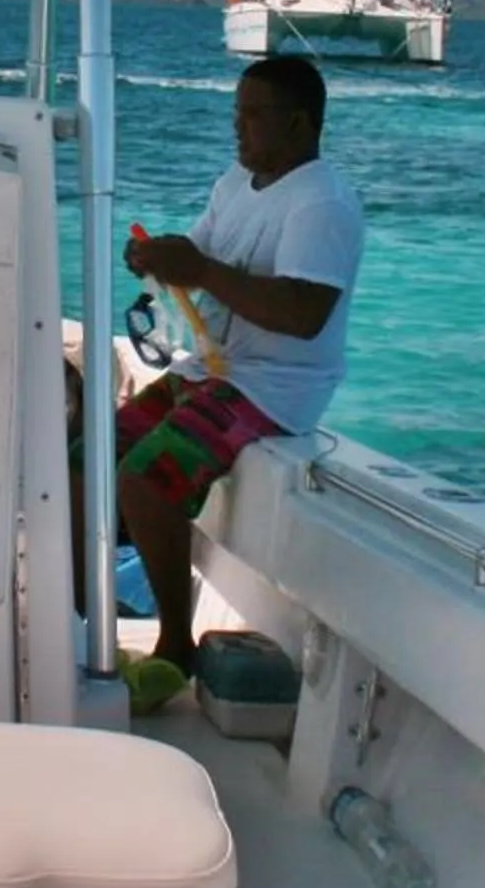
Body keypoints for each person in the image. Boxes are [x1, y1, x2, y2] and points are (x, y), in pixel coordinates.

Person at [96, 53, 364, 674]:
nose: (237, 126)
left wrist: (201, 269)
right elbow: (198, 254)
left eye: (253, 115)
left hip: (273, 388)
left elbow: (304, 313)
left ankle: (174, 644)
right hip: (213, 370)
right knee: (90, 452)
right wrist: (157, 256)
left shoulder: (321, 205)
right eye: (236, 112)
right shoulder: (233, 185)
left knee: (144, 480)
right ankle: (88, 612)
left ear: (299, 126)